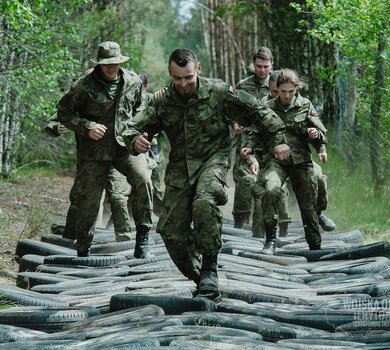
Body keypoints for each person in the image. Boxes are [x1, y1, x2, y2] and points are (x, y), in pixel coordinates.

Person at [122, 48, 290, 300]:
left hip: (214, 159)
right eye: (177, 79)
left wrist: (278, 139)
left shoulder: (219, 92)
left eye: (188, 77)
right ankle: (203, 278)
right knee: (170, 231)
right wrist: (134, 140)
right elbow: (132, 126)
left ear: (198, 69)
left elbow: (258, 111)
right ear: (170, 75)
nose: (183, 84)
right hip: (180, 166)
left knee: (204, 201)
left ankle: (210, 268)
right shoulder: (162, 100)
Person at [57, 41, 154, 258]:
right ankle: (83, 248)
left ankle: (142, 243)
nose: (111, 67)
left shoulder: (132, 81)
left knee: (143, 180)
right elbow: (63, 113)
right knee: (88, 200)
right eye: (106, 63)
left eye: (115, 63)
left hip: (125, 146)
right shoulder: (84, 85)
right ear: (99, 63)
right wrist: (86, 126)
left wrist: (141, 132)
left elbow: (143, 108)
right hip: (94, 151)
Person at [259, 68, 327, 255]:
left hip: (301, 161)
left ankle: (315, 246)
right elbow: (256, 132)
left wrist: (316, 137)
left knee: (308, 204)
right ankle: (270, 240)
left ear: (297, 89)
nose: (287, 95)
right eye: (283, 91)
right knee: (271, 189)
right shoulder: (268, 108)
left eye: (291, 91)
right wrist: (249, 151)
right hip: (277, 162)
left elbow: (320, 132)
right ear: (276, 90)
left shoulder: (305, 105)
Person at [232, 47, 274, 232]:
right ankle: (240, 222)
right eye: (258, 66)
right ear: (253, 65)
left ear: (272, 65)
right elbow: (232, 108)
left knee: (269, 181)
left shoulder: (277, 86)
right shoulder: (243, 85)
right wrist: (235, 122)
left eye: (265, 66)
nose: (262, 70)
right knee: (246, 180)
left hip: (268, 141)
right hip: (246, 141)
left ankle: (274, 223)